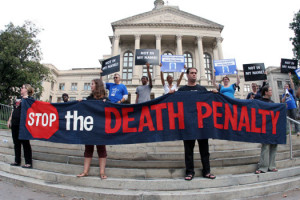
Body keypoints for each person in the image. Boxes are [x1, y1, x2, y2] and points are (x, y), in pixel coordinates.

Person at [178, 67, 216, 181]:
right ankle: (189, 172)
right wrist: (170, 94)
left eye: (195, 73)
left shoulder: (202, 88)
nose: (194, 75)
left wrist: (215, 95)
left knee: (204, 150)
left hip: (201, 125)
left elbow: (208, 103)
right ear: (187, 75)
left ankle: (207, 171)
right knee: (188, 150)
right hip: (188, 125)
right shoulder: (182, 90)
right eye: (192, 73)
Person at [77, 79, 108, 179]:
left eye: (92, 84)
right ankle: (85, 171)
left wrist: (107, 103)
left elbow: (112, 110)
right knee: (88, 149)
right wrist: (80, 103)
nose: (90, 86)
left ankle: (102, 172)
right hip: (89, 128)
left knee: (101, 149)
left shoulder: (106, 99)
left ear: (97, 86)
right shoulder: (89, 99)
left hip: (100, 128)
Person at [7, 84, 33, 168]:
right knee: (16, 143)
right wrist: (9, 120)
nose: (21, 89)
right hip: (14, 123)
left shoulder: (30, 99)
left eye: (23, 88)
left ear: (27, 90)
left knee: (25, 143)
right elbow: (14, 109)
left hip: (23, 125)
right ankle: (17, 161)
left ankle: (28, 162)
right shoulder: (18, 99)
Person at [255, 86, 278, 174]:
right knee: (265, 147)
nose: (271, 92)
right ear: (265, 92)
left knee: (273, 146)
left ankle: (272, 166)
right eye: (270, 90)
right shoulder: (260, 101)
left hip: (273, 128)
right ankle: (263, 167)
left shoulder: (272, 102)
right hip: (264, 128)